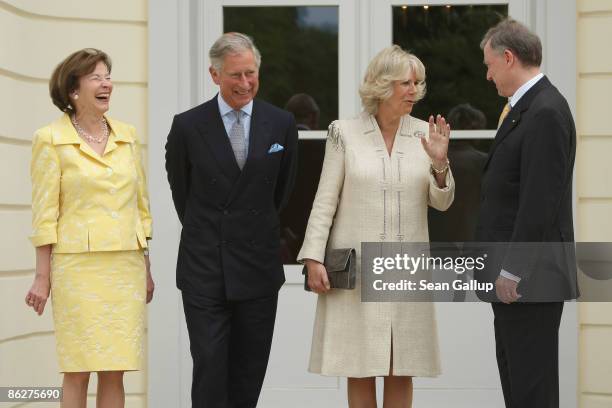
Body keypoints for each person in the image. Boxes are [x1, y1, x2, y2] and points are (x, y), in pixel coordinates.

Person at [298, 45, 454, 408]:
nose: (414, 90)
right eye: (406, 82)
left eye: (417, 82)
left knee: (403, 365)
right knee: (360, 364)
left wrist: (441, 163)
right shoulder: (344, 133)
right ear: (382, 86)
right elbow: (325, 201)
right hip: (358, 268)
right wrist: (313, 258)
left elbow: (443, 201)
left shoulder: (425, 134)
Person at [165, 32, 298, 407]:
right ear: (214, 75)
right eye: (236, 75)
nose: (245, 83)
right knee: (209, 365)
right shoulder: (188, 126)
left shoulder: (281, 123)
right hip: (205, 266)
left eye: (251, 73)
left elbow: (282, 193)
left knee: (248, 369)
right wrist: (212, 232)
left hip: (257, 266)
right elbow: (183, 195)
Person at [24, 48, 154, 407]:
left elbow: (141, 209)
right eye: (96, 77)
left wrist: (146, 267)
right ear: (73, 89)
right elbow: (45, 212)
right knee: (78, 368)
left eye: (108, 76)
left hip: (124, 266)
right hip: (76, 268)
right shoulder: (49, 139)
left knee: (115, 368)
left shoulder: (127, 136)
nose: (106, 83)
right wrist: (41, 276)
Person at [475, 18, 578, 408]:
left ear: (508, 57)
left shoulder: (546, 111)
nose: (488, 76)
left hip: (528, 280)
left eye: (489, 65)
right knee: (517, 384)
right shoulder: (529, 108)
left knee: (532, 389)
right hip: (516, 280)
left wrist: (512, 270)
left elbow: (539, 201)